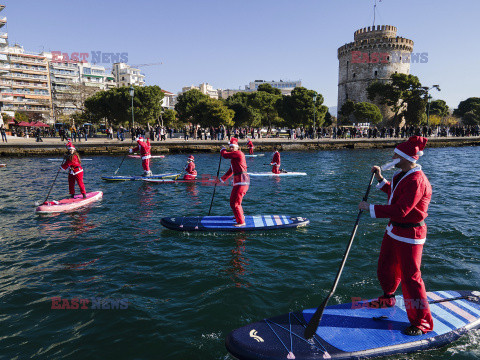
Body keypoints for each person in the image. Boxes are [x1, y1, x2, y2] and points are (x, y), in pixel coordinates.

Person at [358, 136, 433, 336]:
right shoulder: (403, 174)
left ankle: (421, 323)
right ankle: (388, 298)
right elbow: (395, 192)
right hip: (394, 230)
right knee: (386, 266)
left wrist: (370, 208)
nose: (392, 157)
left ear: (405, 158)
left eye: (395, 155)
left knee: (411, 279)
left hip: (410, 234)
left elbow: (401, 209)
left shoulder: (417, 180)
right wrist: (381, 179)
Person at [220, 138, 250, 227]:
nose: (231, 149)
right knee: (235, 202)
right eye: (230, 147)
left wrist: (222, 149)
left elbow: (224, 155)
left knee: (235, 203)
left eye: (233, 147)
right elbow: (231, 171)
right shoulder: (234, 159)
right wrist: (221, 180)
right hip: (239, 181)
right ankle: (240, 216)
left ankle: (241, 222)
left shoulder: (239, 153)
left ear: (237, 147)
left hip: (242, 181)